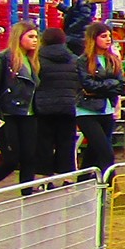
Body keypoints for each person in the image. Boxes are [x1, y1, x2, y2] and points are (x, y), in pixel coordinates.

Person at [0, 22, 42, 199]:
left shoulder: (32, 61)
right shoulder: (3, 58)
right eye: (30, 36)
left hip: (29, 114)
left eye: (36, 37)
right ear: (19, 38)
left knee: (29, 156)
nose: (35, 40)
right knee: (11, 159)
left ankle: (27, 194)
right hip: (8, 113)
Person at [76, 21, 124, 176]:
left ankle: (82, 185)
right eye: (104, 36)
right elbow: (88, 85)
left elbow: (121, 84)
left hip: (107, 108)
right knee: (105, 152)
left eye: (109, 36)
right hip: (86, 110)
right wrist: (110, 84)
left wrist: (105, 86)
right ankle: (115, 189)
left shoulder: (113, 59)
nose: (108, 39)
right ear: (93, 38)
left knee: (93, 152)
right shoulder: (83, 60)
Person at [34, 27, 83, 176]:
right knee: (67, 143)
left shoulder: (37, 59)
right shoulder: (74, 59)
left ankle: (45, 177)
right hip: (68, 106)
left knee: (44, 143)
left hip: (43, 107)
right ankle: (67, 177)